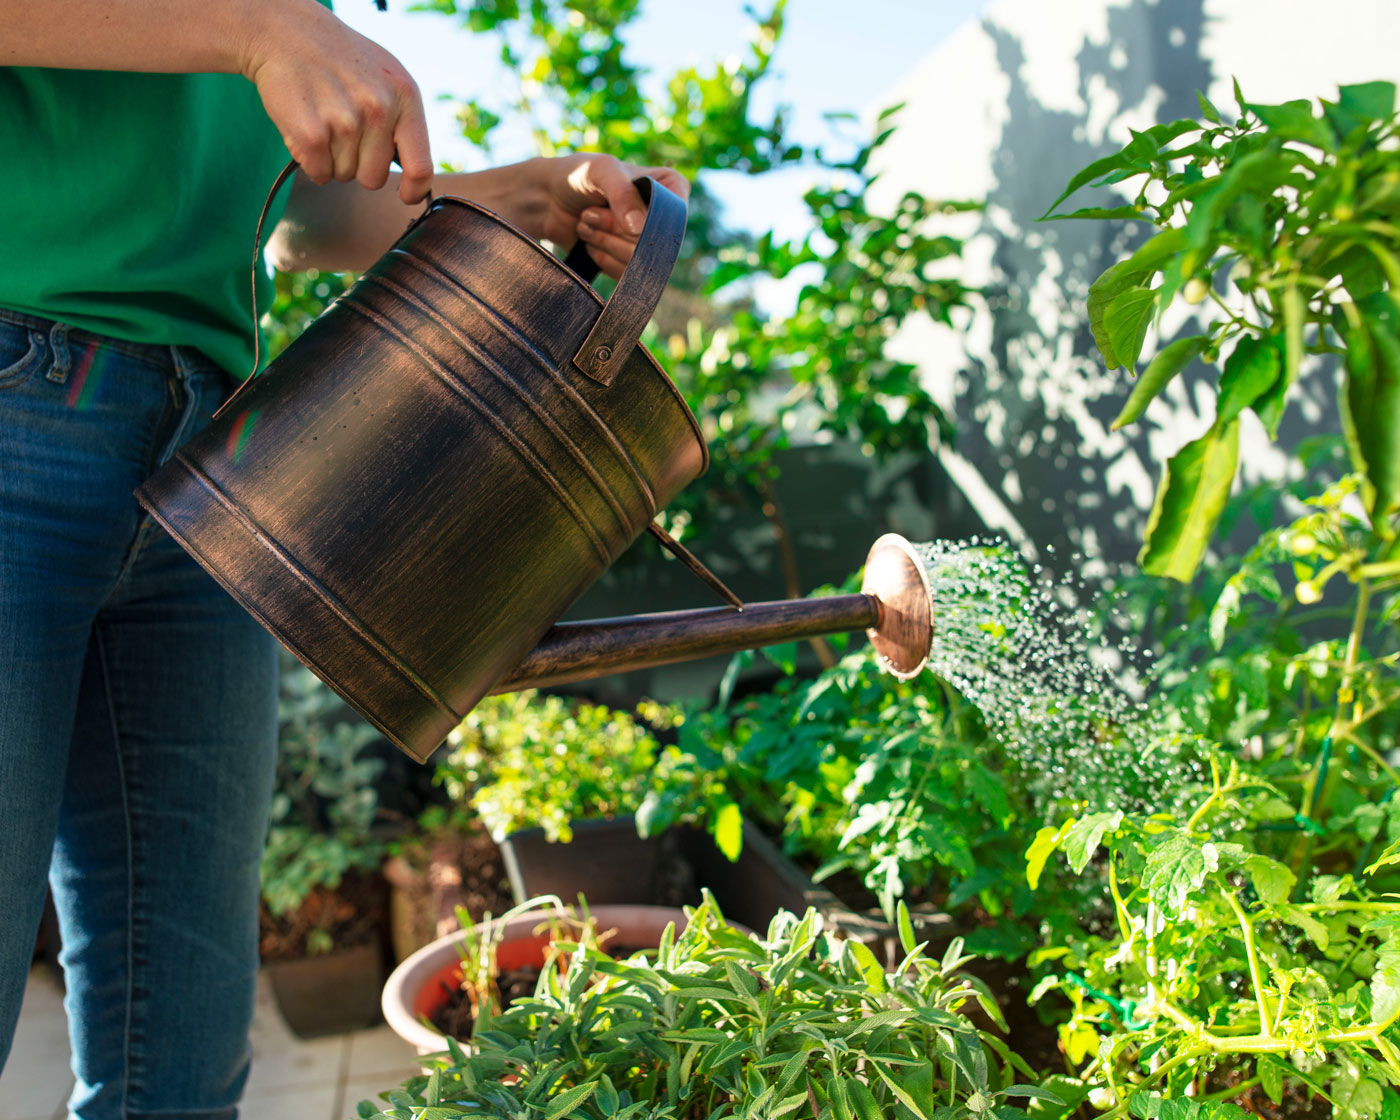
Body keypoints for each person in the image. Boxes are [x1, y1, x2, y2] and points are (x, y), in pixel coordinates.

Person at [0, 1, 689, 1115]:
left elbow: (278, 213)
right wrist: (260, 26)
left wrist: (491, 199)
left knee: (176, 1065)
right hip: (16, 397)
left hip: (219, 453)